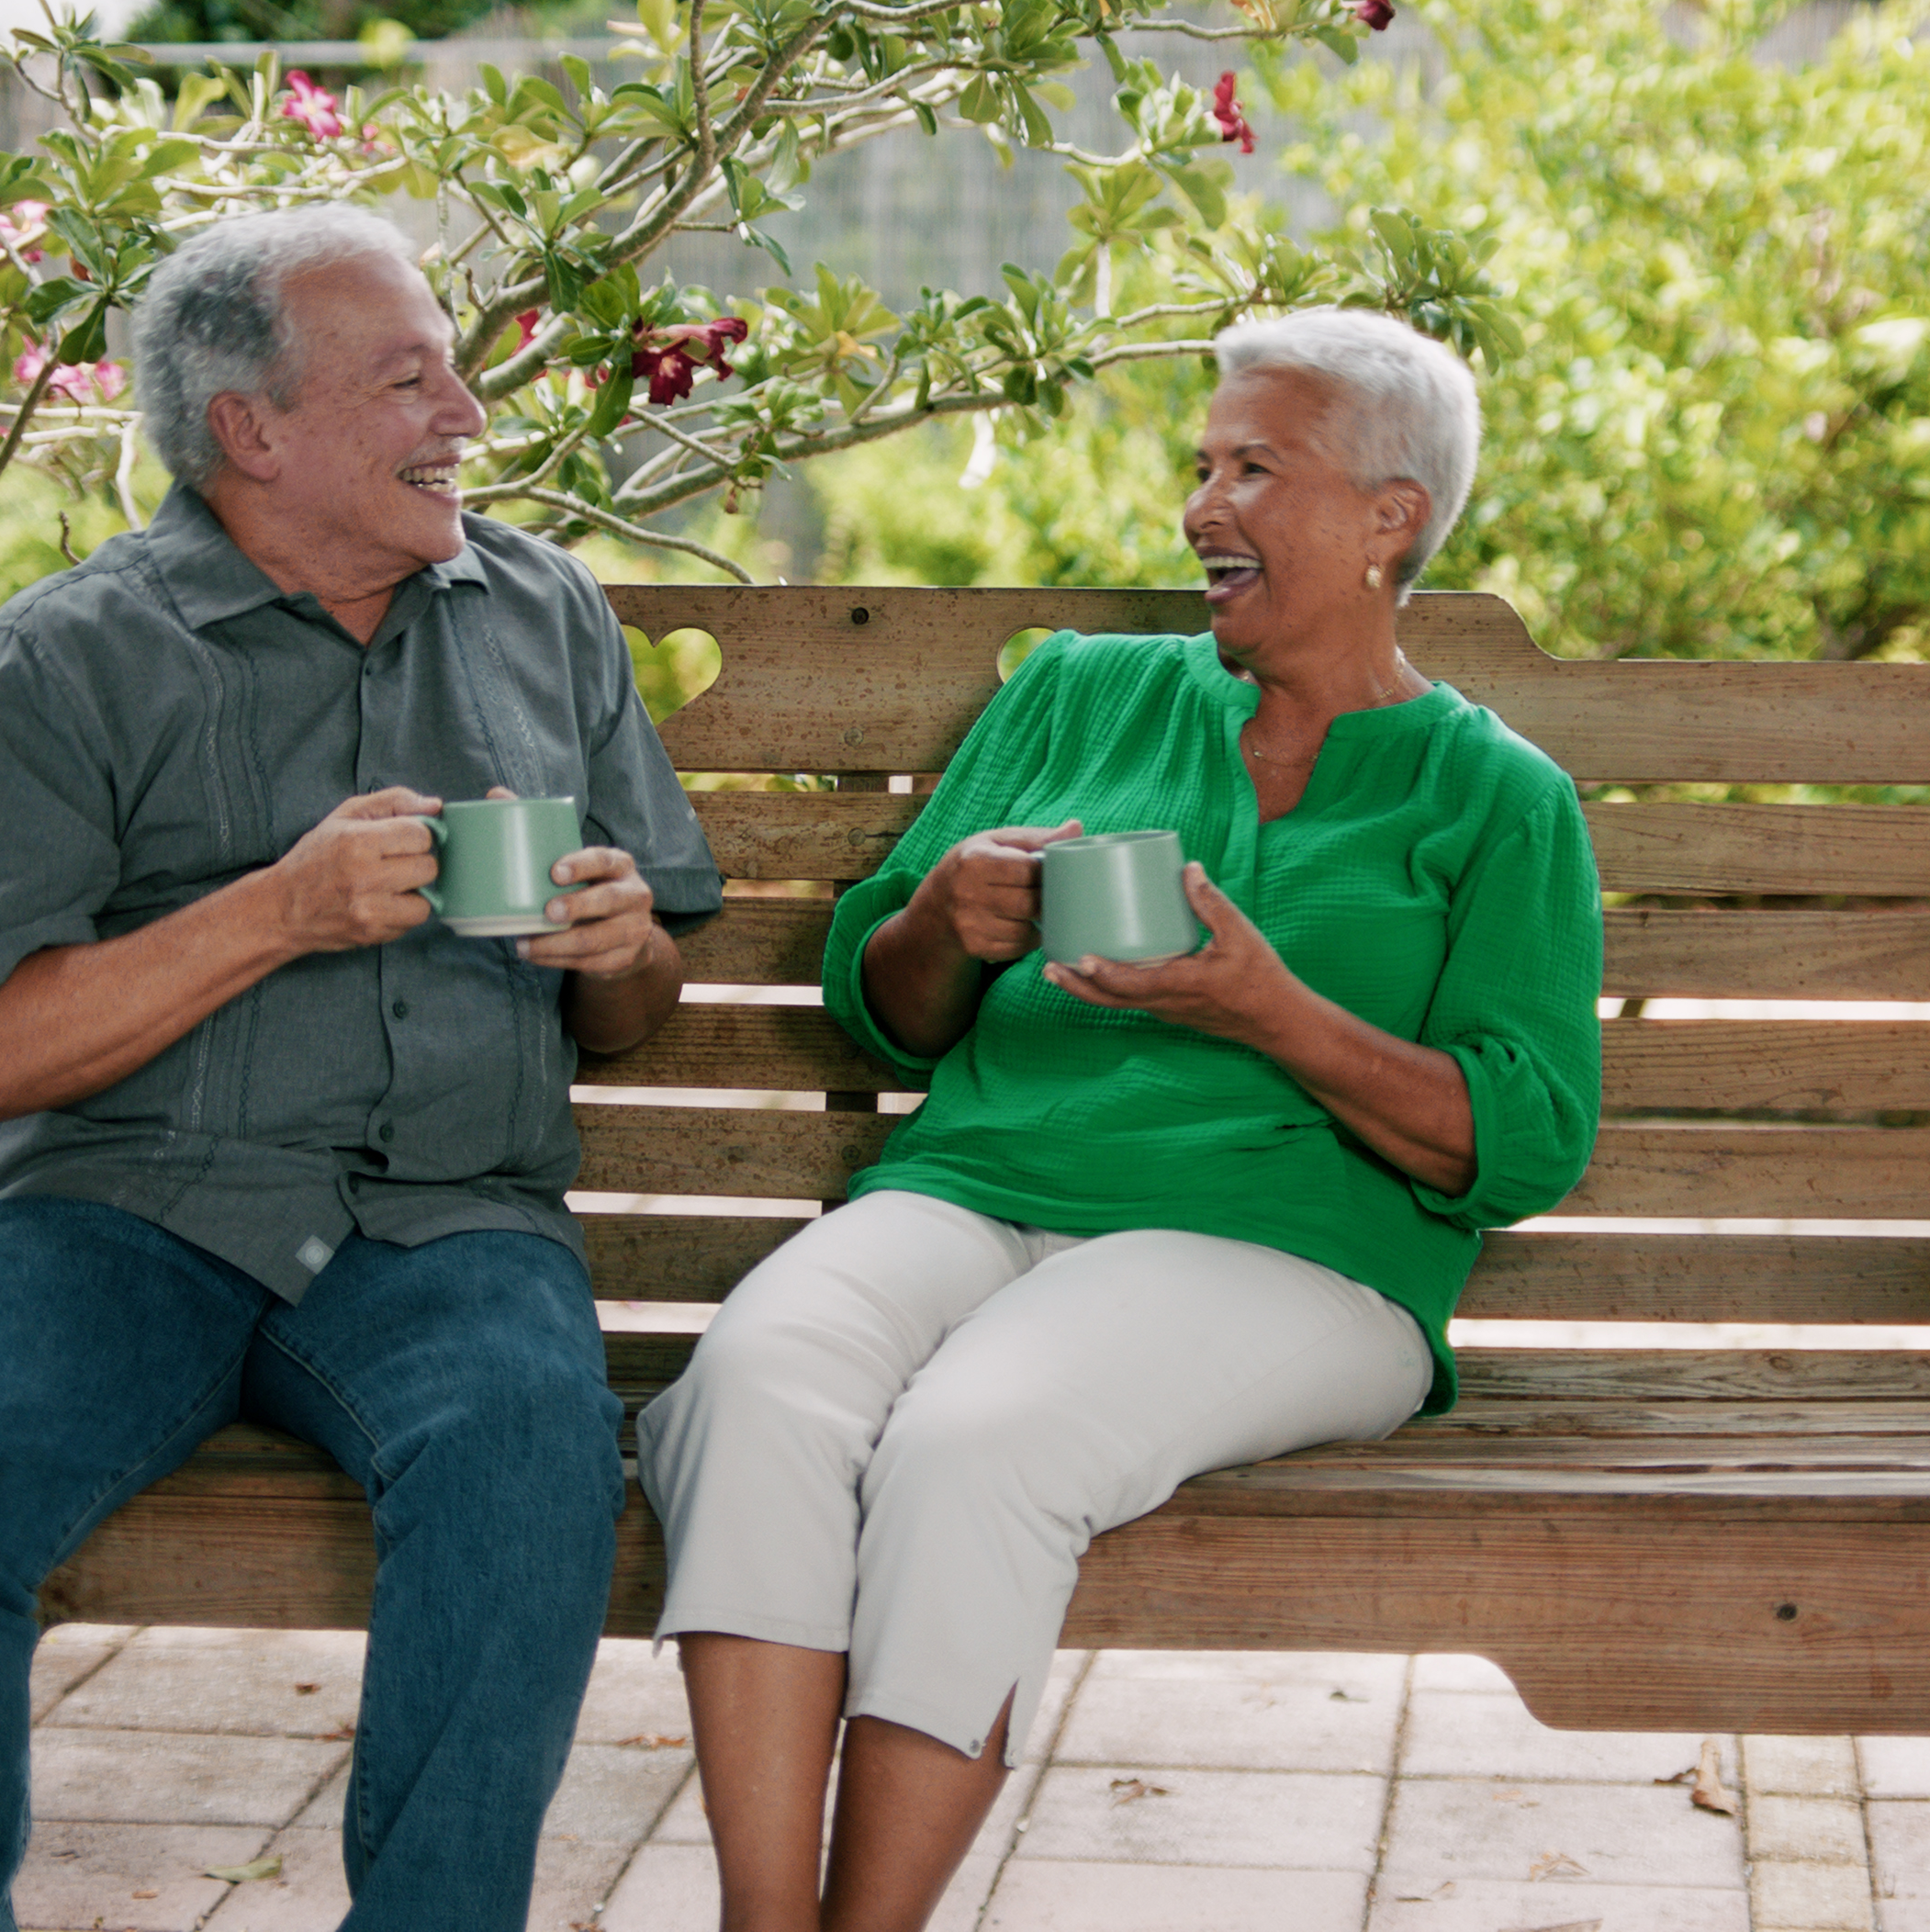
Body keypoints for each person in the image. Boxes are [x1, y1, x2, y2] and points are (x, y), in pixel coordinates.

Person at [0, 204, 723, 1931]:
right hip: (122, 1212)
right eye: (408, 377)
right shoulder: (70, 654)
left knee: (530, 1474)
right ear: (253, 430)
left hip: (451, 1222)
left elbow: (641, 1000)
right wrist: (279, 910)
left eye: (451, 368)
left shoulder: (544, 614)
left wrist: (624, 952)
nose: (466, 410)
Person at [636, 307, 1605, 1932]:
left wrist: (1268, 1009)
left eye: (1255, 469)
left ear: (1391, 519)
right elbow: (885, 1006)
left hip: (1294, 1252)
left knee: (975, 1439)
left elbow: (1517, 1140)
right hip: (978, 1191)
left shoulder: (1497, 794)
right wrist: (946, 913)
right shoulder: (1083, 693)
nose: (1202, 507)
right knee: (754, 1382)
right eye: (1203, 464)